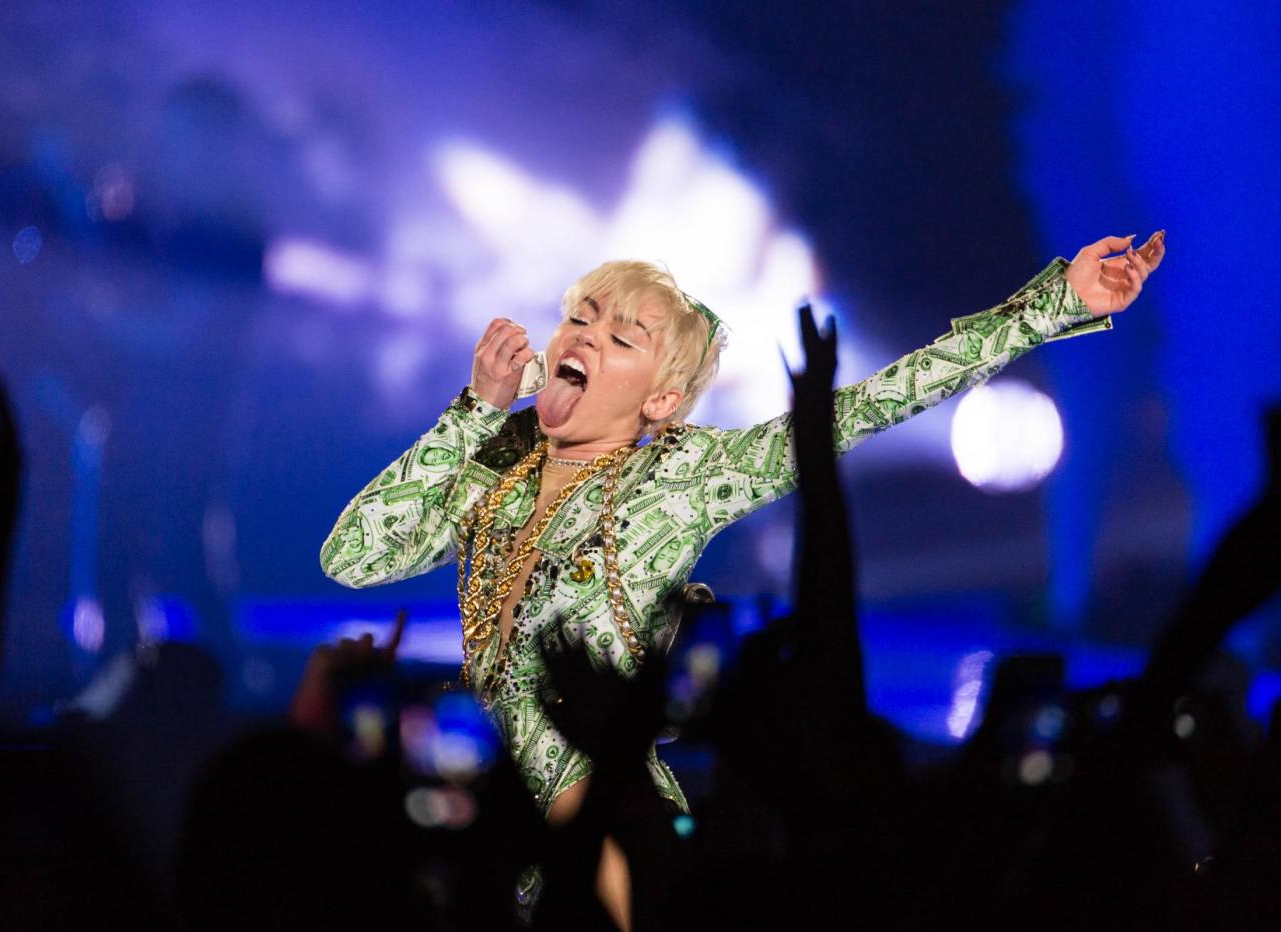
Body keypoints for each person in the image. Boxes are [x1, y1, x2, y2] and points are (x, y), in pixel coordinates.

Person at [321, 231, 1165, 925]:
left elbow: (877, 401)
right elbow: (356, 556)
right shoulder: (501, 457)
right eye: (580, 317)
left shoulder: (684, 475)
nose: (584, 337)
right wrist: (473, 410)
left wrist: (1053, 305)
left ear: (660, 401)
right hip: (476, 803)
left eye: (621, 338)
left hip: (598, 806)